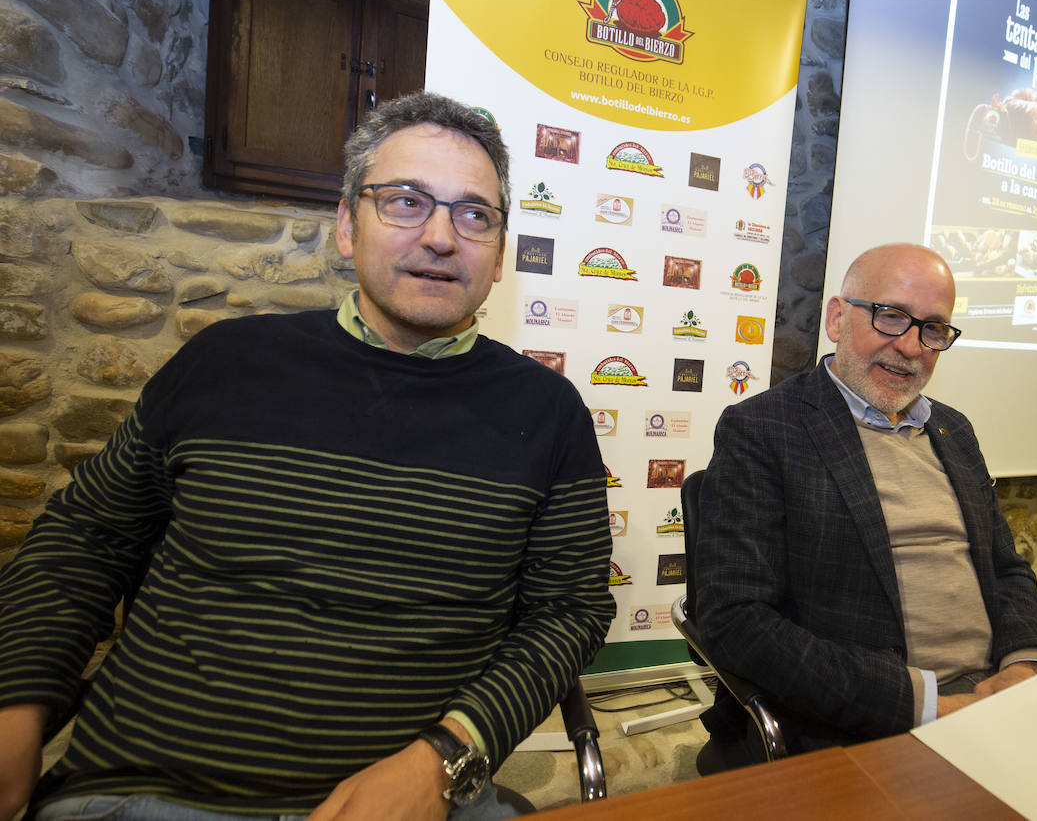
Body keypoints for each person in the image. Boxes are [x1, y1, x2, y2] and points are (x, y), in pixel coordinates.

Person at [0, 92, 615, 821]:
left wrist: (445, 760)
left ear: (500, 253)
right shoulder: (224, 364)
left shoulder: (548, 415)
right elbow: (86, 540)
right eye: (406, 202)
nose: (443, 237)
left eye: (474, 214)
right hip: (149, 792)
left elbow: (568, 611)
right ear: (348, 228)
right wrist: (15, 710)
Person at [694, 243, 1037, 767]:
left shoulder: (954, 429)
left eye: (933, 329)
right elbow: (736, 620)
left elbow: (1006, 570)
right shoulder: (763, 430)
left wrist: (1028, 665)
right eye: (891, 316)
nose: (910, 347)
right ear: (837, 318)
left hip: (1002, 691)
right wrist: (923, 706)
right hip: (869, 719)